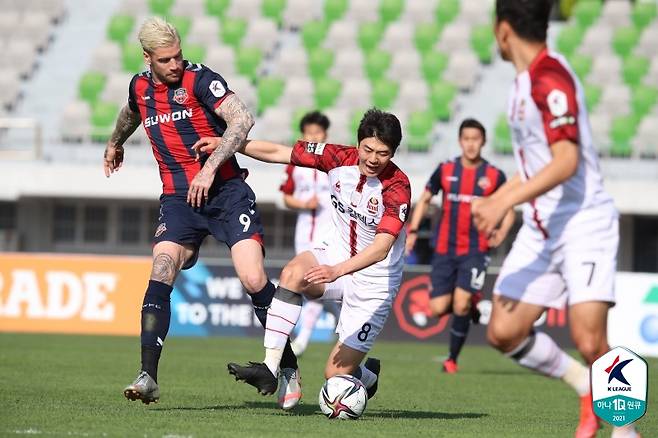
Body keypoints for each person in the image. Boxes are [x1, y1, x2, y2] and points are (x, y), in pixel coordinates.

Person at [102, 17, 299, 408]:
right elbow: (130, 113)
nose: (176, 64)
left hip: (227, 193)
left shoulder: (200, 80)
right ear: (148, 59)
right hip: (178, 200)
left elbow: (243, 120)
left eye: (178, 55)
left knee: (253, 277)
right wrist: (114, 144)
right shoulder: (139, 87)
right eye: (166, 60)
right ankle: (148, 377)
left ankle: (287, 368)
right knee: (161, 267)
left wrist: (208, 170)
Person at [472, 2, 637, 437]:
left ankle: (625, 430)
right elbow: (536, 165)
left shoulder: (550, 77)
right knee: (504, 331)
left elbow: (565, 162)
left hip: (583, 222)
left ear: (503, 30)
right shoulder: (521, 84)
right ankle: (584, 383)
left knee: (589, 340)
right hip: (543, 227)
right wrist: (503, 201)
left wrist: (503, 202)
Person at [194, 108, 411, 403]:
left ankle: (366, 376)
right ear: (358, 143)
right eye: (368, 149)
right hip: (336, 252)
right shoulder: (337, 158)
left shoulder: (398, 187)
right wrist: (227, 144)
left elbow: (381, 248)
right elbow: (279, 151)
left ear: (394, 152)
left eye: (383, 153)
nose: (373, 159)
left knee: (334, 375)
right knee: (292, 274)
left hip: (374, 279)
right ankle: (271, 367)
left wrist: (337, 271)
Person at [405, 118, 513, 374]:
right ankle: (471, 301)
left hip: (475, 250)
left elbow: (508, 208)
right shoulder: (445, 169)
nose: (471, 144)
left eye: (476, 139)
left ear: (483, 142)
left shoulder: (494, 176)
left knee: (461, 305)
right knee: (438, 308)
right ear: (460, 141)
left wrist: (502, 231)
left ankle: (452, 359)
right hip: (444, 248)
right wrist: (413, 231)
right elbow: (426, 198)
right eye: (467, 139)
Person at [279, 111, 339, 357]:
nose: (313, 136)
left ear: (325, 135)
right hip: (303, 232)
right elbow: (286, 198)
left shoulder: (335, 163)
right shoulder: (296, 165)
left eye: (318, 132)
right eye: (309, 133)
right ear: (303, 135)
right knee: (311, 285)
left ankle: (302, 339)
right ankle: (342, 324)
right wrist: (304, 204)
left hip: (328, 233)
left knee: (315, 281)